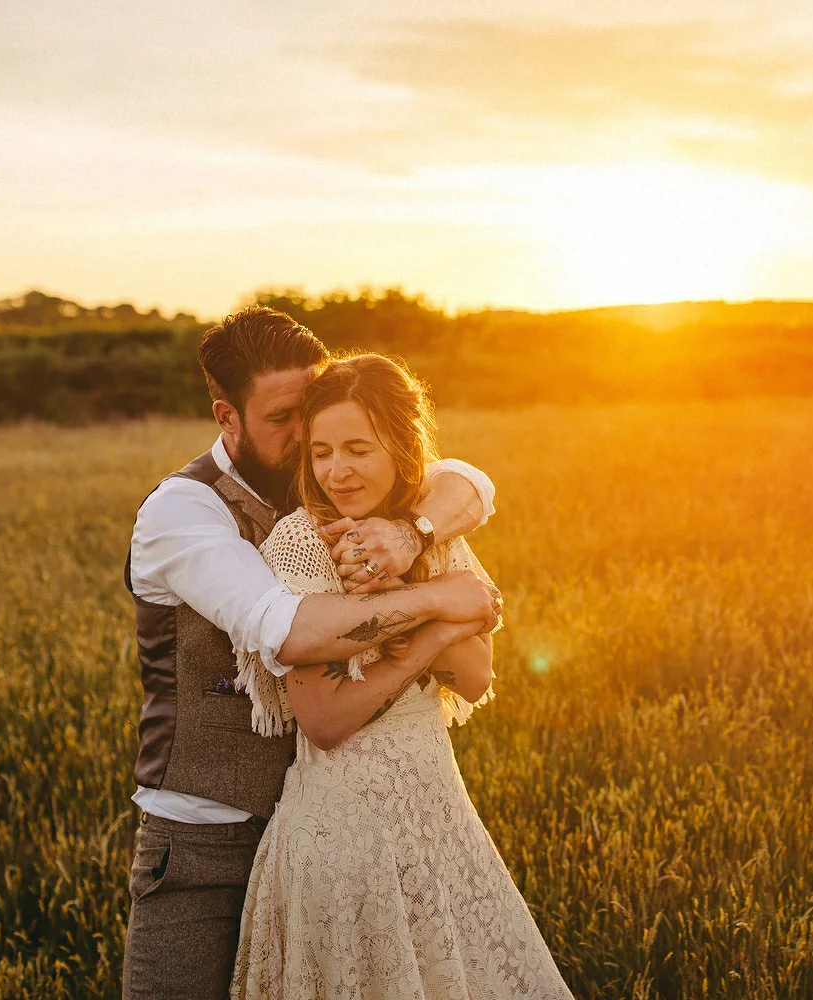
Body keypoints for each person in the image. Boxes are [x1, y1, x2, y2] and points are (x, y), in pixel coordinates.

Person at [123, 307, 503, 1000]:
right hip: (205, 838)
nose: (310, 441)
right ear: (227, 417)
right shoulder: (183, 511)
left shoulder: (356, 485)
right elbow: (290, 631)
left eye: (319, 411)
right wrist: (441, 603)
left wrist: (412, 534)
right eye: (285, 417)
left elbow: (470, 480)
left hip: (333, 827)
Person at [230, 353, 573, 999]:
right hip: (344, 838)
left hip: (438, 819)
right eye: (324, 451)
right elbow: (325, 719)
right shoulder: (301, 542)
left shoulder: (422, 534)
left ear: (400, 444)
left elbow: (476, 677)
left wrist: (411, 586)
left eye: (358, 448)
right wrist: (435, 623)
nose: (338, 470)